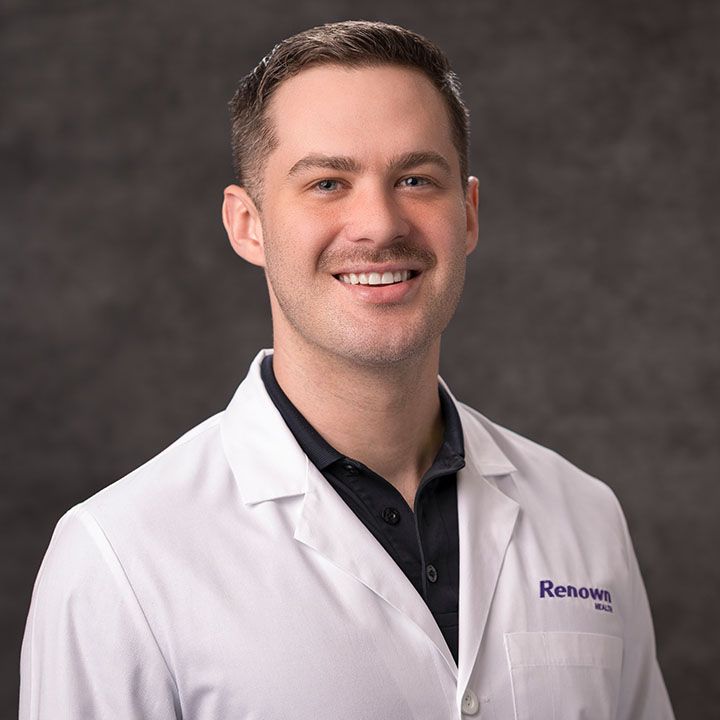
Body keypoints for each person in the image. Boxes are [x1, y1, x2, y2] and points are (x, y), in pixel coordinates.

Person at [19, 20, 674, 720]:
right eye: (328, 182)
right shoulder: (120, 556)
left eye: (416, 179)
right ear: (248, 225)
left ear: (468, 215)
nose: (380, 224)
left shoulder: (583, 515)